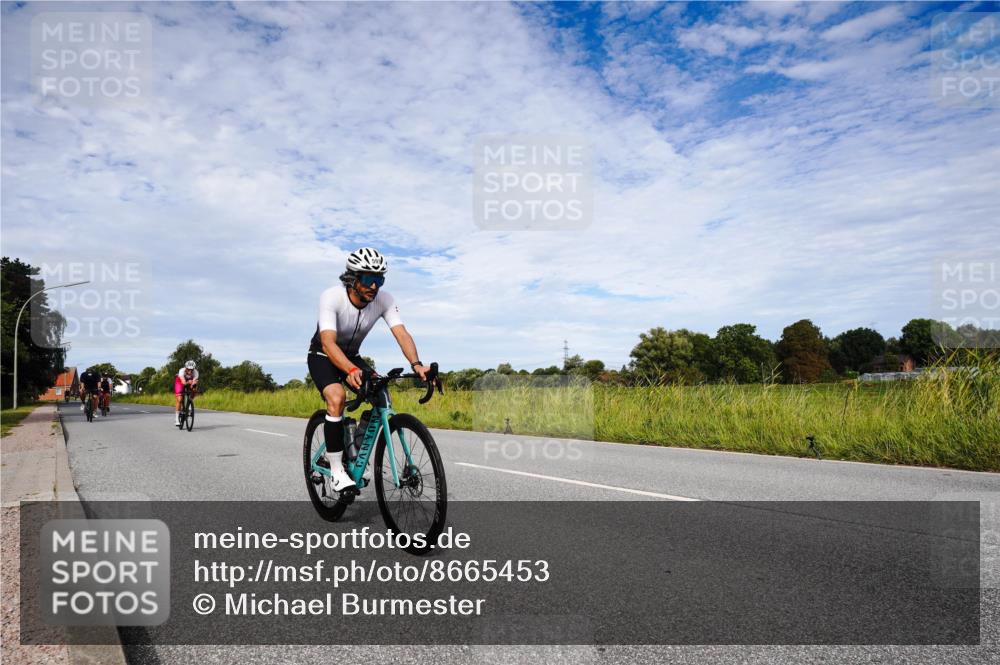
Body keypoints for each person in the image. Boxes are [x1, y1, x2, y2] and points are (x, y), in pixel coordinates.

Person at [307, 247, 428, 495]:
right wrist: (349, 369)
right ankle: (338, 471)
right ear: (352, 278)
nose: (375, 286)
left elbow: (401, 333)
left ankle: (355, 449)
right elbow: (328, 342)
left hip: (352, 356)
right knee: (337, 398)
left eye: (380, 279)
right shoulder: (332, 297)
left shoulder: (384, 300)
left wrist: (417, 364)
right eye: (368, 279)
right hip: (323, 355)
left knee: (381, 393)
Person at [174, 360, 199, 425]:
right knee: (180, 399)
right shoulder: (181, 371)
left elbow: (194, 383)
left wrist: (193, 386)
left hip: (189, 381)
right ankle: (177, 419)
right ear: (185, 368)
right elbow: (183, 382)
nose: (190, 371)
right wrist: (188, 382)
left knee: (194, 389)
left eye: (192, 369)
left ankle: (190, 403)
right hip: (180, 382)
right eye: (188, 369)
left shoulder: (196, 372)